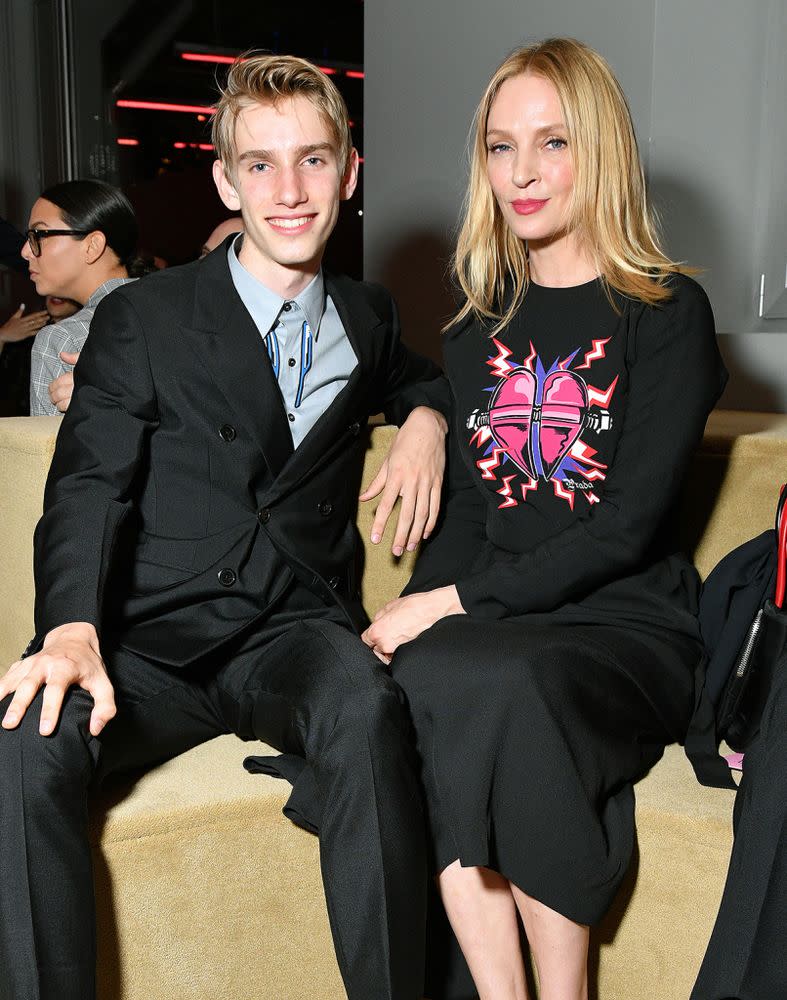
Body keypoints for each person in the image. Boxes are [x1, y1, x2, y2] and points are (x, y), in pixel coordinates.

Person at [0, 54, 448, 1000]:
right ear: (224, 180)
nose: (289, 191)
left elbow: (419, 374)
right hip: (146, 643)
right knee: (21, 744)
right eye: (259, 165)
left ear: (350, 172)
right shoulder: (147, 319)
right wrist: (72, 627)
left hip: (289, 634)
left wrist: (426, 422)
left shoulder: (366, 315)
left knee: (367, 709)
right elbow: (88, 483)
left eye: (313, 161)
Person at [363, 37, 727, 1000]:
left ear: (599, 151)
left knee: (506, 684)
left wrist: (449, 605)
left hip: (622, 624)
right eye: (498, 147)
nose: (521, 173)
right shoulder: (474, 327)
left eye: (552, 142)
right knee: (432, 679)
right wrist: (412, 608)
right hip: (502, 617)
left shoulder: (664, 312)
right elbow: (473, 516)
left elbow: (624, 530)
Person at [26, 179, 141, 415]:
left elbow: (49, 451)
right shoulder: (173, 307)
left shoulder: (60, 340)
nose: (26, 251)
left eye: (38, 235)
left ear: (92, 246)